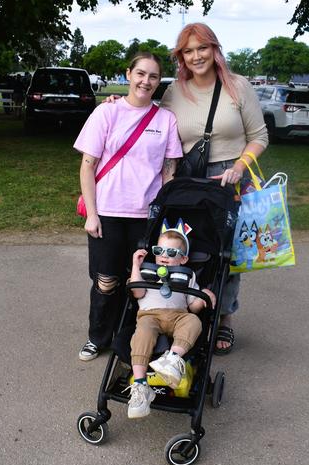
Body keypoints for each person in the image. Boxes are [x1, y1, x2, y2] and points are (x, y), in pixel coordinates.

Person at [162, 23, 269, 354]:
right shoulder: (173, 92)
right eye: (188, 51)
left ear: (214, 49)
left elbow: (259, 136)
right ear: (181, 57)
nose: (196, 56)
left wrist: (240, 166)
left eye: (202, 48)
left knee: (228, 256)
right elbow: (159, 133)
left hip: (230, 179)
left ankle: (224, 318)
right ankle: (185, 315)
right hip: (187, 181)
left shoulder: (238, 87)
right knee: (188, 249)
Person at [73, 52, 183, 361]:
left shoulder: (165, 119)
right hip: (107, 212)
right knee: (107, 281)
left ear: (158, 82)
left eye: (152, 76)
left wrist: (163, 214)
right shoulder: (106, 113)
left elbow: (168, 170)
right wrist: (92, 214)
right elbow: (87, 166)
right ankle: (98, 336)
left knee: (139, 281)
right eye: (140, 74)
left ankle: (130, 339)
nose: (146, 81)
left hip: (145, 215)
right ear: (128, 74)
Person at [125, 221, 216, 418]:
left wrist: (204, 295)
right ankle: (140, 387)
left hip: (179, 316)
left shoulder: (188, 275)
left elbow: (193, 306)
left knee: (194, 321)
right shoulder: (147, 271)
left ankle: (172, 360)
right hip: (150, 316)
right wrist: (136, 266)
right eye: (160, 250)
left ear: (183, 259)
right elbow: (137, 292)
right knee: (142, 334)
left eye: (172, 253)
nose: (164, 256)